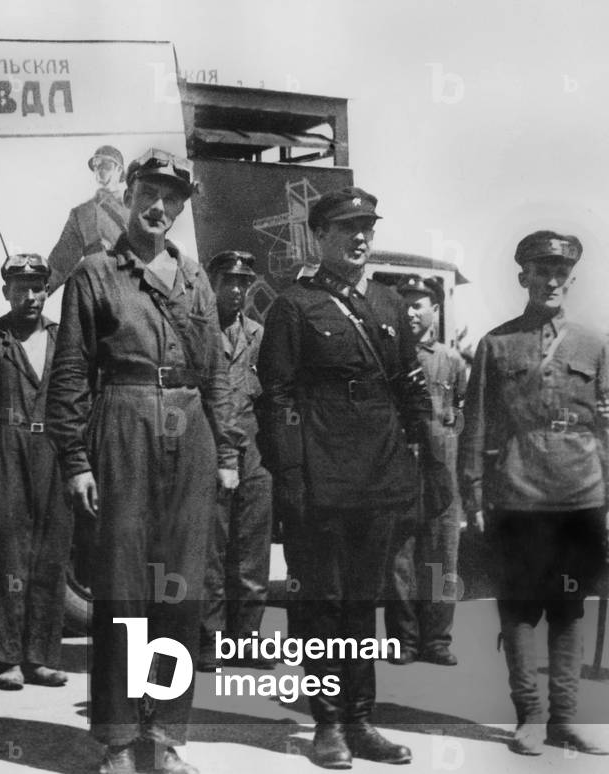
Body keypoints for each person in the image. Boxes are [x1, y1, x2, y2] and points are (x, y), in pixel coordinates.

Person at [47, 148, 241, 774]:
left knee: (180, 590)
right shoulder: (94, 274)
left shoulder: (195, 279)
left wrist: (230, 450)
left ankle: (168, 737)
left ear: (183, 207)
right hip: (124, 421)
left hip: (191, 431)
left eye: (174, 198)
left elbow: (216, 372)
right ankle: (120, 740)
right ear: (127, 195)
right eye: (149, 193)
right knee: (125, 591)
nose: (160, 207)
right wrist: (76, 459)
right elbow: (71, 373)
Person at [257, 187, 431, 768]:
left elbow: (411, 388)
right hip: (323, 478)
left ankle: (361, 720)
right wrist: (292, 477)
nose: (360, 238)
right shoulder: (294, 306)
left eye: (367, 228)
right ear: (320, 237)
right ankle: (327, 724)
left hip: (380, 477)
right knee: (322, 604)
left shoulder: (387, 302)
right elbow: (277, 398)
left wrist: (416, 464)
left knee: (363, 603)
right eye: (347, 228)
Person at [459, 230, 609, 756]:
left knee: (569, 610)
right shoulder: (497, 345)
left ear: (571, 279)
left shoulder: (594, 345)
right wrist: (474, 495)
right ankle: (530, 717)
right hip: (518, 494)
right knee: (520, 610)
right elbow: (474, 425)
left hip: (580, 495)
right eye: (541, 272)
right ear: (523, 277)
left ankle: (564, 719)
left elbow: (607, 429)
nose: (551, 281)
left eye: (560, 273)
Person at [0, 252, 72, 691]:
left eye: (38, 287)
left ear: (47, 290)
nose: (30, 296)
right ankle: (7, 658)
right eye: (20, 288)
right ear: (5, 291)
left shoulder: (64, 338)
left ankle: (41, 657)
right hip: (4, 448)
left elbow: (78, 397)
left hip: (53, 449)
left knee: (50, 556)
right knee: (7, 556)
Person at [384, 275, 466, 667]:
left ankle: (437, 639)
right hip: (399, 468)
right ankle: (404, 640)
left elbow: (463, 415)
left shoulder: (450, 360)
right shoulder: (387, 355)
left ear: (435, 311)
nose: (412, 311)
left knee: (441, 556)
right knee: (399, 558)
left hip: (441, 472)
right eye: (406, 304)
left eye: (420, 304)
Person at [197, 250, 273, 671]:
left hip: (254, 453)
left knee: (252, 551)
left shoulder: (259, 334)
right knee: (212, 550)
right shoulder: (197, 332)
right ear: (212, 283)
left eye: (244, 283)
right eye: (229, 281)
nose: (237, 290)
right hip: (209, 450)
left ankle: (246, 639)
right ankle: (208, 639)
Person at [47, 145, 130, 292]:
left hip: (137, 293)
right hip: (102, 292)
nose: (99, 170)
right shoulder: (82, 214)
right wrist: (33, 290)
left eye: (105, 165)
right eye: (96, 166)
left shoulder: (136, 209)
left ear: (119, 169)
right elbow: (58, 266)